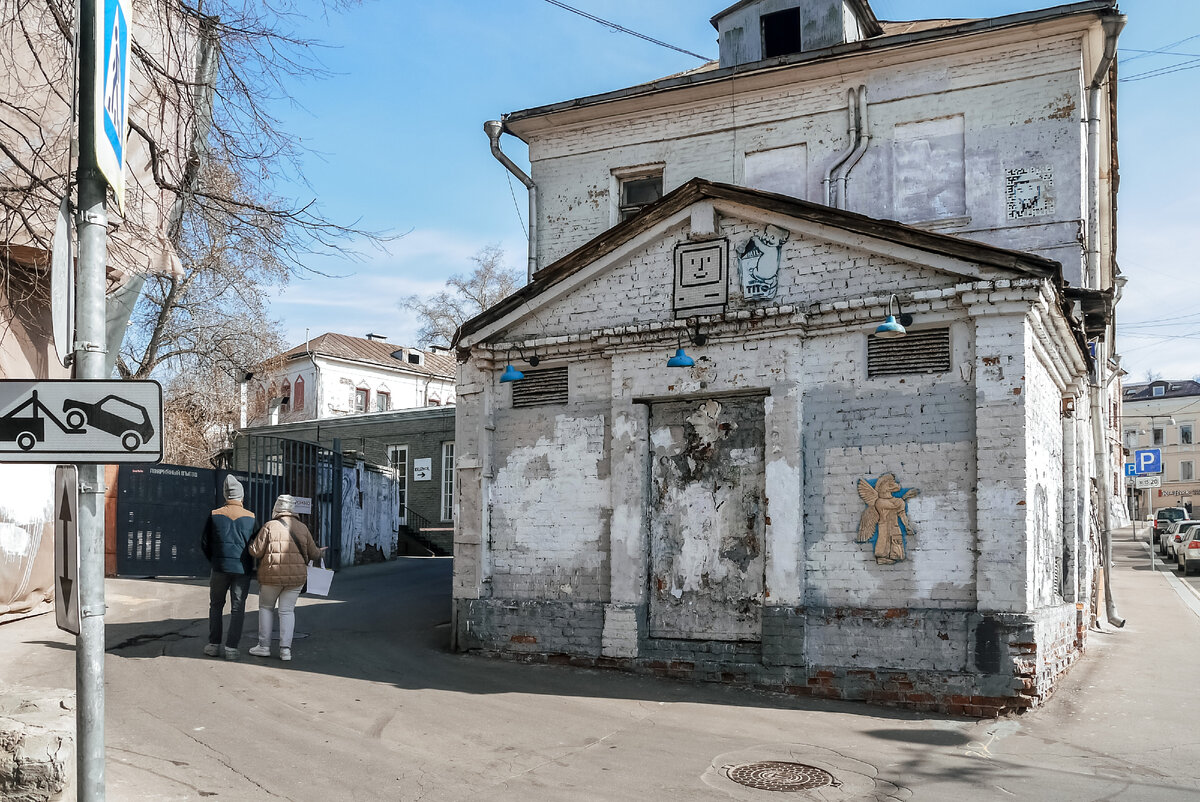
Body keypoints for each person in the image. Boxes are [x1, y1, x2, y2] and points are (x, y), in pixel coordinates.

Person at [248, 494, 325, 661]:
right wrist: (320, 551)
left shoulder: (269, 526)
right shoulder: (303, 528)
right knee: (287, 611)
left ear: (277, 507)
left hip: (271, 577)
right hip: (296, 578)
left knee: (266, 608)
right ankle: (285, 651)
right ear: (292, 509)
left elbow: (256, 551)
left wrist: (251, 543)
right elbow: (313, 553)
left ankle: (264, 646)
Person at [201, 475, 258, 660]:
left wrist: (215, 559)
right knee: (238, 608)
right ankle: (232, 648)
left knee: (216, 605)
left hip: (219, 568)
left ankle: (213, 645)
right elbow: (256, 545)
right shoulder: (251, 517)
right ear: (241, 496)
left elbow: (204, 542)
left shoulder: (214, 515)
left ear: (226, 495)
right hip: (242, 570)